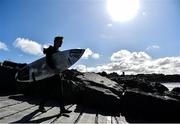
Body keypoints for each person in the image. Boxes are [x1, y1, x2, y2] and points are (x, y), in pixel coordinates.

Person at [39, 36, 71, 114]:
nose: (61, 43)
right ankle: (41, 106)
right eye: (60, 42)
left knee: (60, 92)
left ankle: (62, 109)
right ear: (55, 42)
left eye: (62, 42)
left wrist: (63, 69)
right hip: (50, 74)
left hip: (57, 74)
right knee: (48, 91)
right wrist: (55, 69)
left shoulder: (59, 52)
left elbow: (60, 64)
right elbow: (48, 61)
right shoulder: (50, 50)